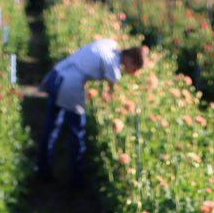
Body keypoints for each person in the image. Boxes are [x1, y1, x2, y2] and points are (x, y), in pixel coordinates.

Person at [38, 40, 148, 188]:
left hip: (57, 73)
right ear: (129, 59)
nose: (134, 73)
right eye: (135, 68)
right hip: (69, 84)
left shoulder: (109, 44)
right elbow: (111, 91)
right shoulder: (113, 66)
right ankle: (75, 179)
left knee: (52, 126)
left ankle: (43, 170)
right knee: (77, 131)